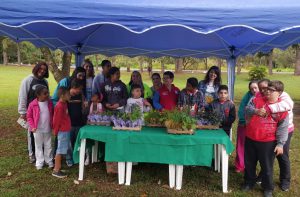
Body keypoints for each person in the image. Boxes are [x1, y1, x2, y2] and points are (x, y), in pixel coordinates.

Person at [243, 80, 289, 197]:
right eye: (267, 89)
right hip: (251, 137)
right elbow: (246, 109)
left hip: (268, 142)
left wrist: (280, 144)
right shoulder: (256, 100)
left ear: (279, 93)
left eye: (271, 90)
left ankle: (268, 187)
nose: (267, 91)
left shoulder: (282, 108)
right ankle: (249, 182)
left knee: (267, 166)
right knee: (249, 163)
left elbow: (283, 128)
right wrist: (256, 111)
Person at [18, 62, 50, 164]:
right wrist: (23, 112)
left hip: (43, 113)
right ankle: (32, 155)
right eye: (40, 69)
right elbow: (22, 96)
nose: (42, 71)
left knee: (43, 134)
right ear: (36, 68)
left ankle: (43, 155)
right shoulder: (28, 80)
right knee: (32, 134)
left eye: (44, 70)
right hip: (31, 113)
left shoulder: (45, 82)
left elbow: (47, 97)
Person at [27, 85, 53, 170]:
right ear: (38, 95)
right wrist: (32, 126)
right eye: (45, 93)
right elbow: (29, 117)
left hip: (47, 128)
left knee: (48, 145)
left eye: (47, 93)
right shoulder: (33, 104)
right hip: (37, 129)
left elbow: (52, 114)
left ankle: (49, 160)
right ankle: (39, 162)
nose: (47, 95)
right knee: (38, 146)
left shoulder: (49, 103)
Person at [235, 80, 259, 173]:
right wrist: (243, 121)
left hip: (256, 127)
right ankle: (240, 165)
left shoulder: (263, 97)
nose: (254, 90)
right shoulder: (247, 96)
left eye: (255, 88)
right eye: (252, 88)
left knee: (252, 147)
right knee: (241, 145)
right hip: (244, 124)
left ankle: (250, 166)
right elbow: (241, 109)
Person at [52, 87, 71, 178]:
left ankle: (58, 167)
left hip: (66, 130)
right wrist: (55, 131)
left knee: (62, 149)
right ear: (63, 95)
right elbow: (56, 120)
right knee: (60, 150)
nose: (69, 95)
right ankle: (56, 170)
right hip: (62, 131)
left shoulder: (64, 104)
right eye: (68, 94)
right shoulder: (59, 106)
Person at [66, 79, 85, 167]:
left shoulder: (80, 95)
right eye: (79, 89)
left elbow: (83, 108)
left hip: (79, 123)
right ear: (73, 87)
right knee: (68, 143)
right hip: (69, 124)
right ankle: (69, 159)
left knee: (78, 142)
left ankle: (77, 158)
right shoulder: (66, 95)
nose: (80, 91)